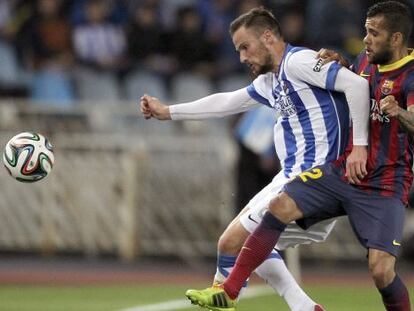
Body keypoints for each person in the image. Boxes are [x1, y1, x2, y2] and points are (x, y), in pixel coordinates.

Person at [187, 2, 413, 310]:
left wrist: (399, 111)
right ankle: (229, 291)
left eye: (374, 33)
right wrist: (341, 64)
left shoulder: (411, 75)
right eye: (365, 31)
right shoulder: (366, 61)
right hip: (343, 171)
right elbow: (352, 84)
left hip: (385, 182)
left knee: (381, 270)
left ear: (397, 38)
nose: (366, 39)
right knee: (279, 205)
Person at [140, 7, 370, 311]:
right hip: (297, 179)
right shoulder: (270, 81)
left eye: (244, 47)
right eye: (238, 50)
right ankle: (304, 307)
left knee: (230, 244)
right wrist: (169, 112)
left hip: (311, 178)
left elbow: (356, 85)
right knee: (254, 245)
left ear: (268, 37)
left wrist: (360, 146)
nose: (242, 57)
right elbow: (228, 101)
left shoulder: (298, 62)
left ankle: (223, 298)